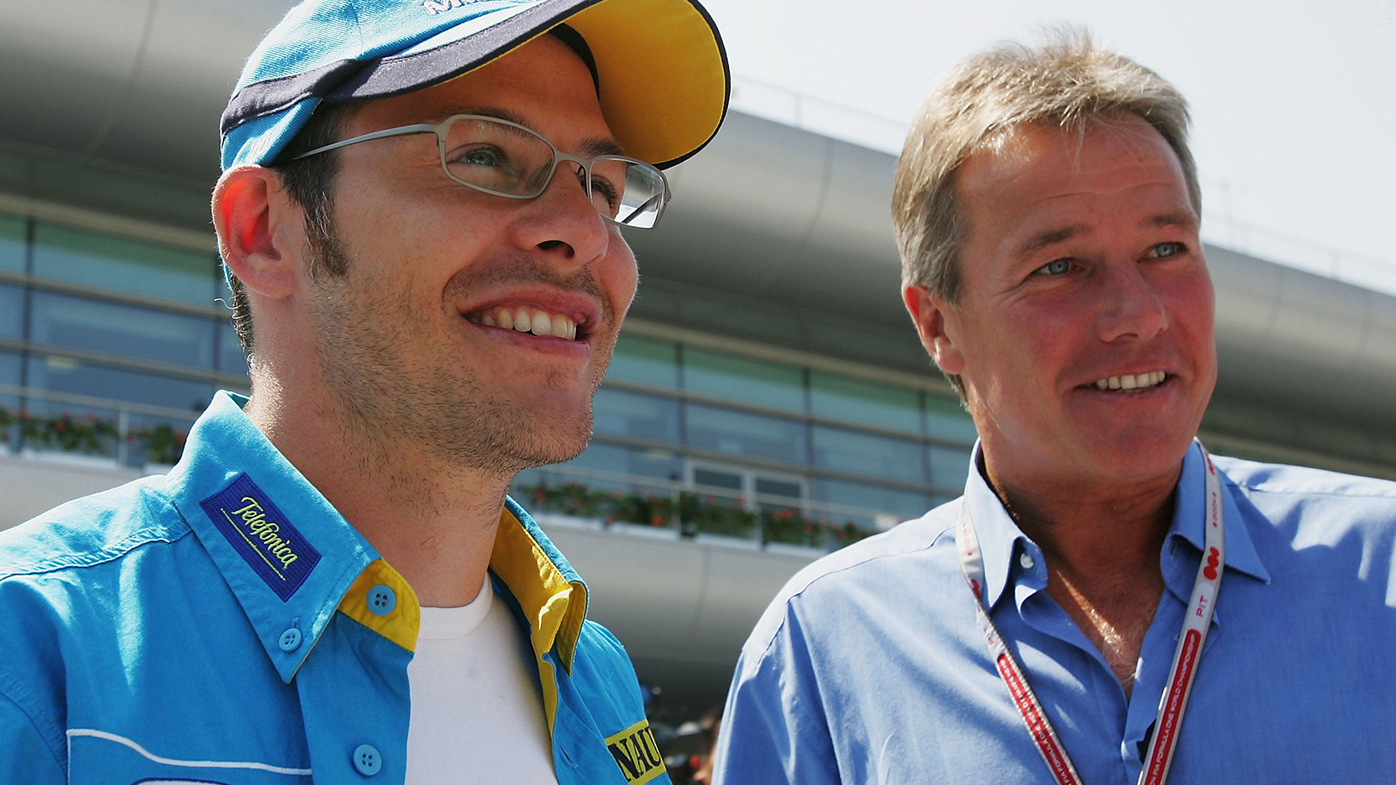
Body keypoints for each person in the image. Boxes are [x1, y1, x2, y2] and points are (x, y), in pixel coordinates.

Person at [0, 1, 727, 782]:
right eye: (483, 155)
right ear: (262, 232)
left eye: (607, 189)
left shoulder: (598, 675)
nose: (585, 230)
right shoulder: (36, 652)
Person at [712, 31, 1396, 784]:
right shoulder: (819, 649)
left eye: (1166, 250)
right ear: (938, 324)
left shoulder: (1382, 566)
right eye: (1061, 266)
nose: (1136, 315)